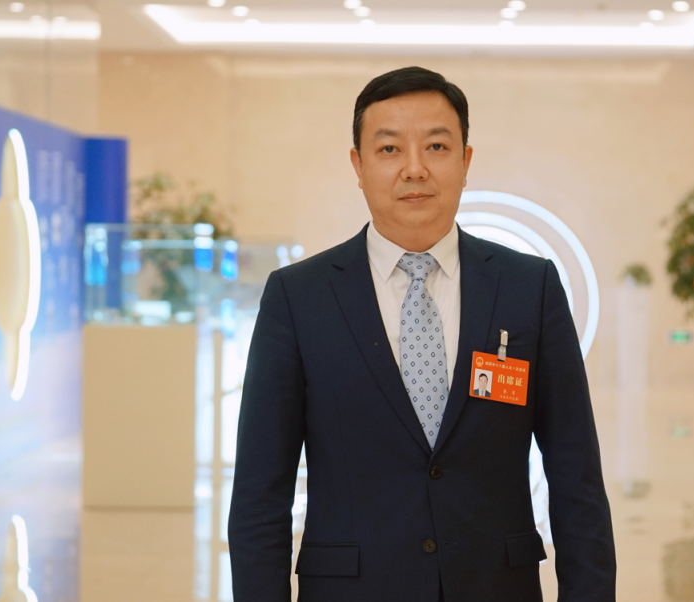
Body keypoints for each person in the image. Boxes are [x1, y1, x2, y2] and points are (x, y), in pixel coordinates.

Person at [228, 66, 616, 602]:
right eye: (389, 149)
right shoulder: (298, 298)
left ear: (466, 161)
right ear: (358, 165)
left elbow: (577, 479)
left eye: (436, 146)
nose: (414, 169)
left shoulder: (531, 288)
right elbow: (259, 496)